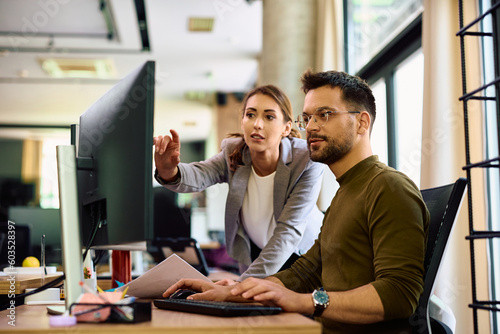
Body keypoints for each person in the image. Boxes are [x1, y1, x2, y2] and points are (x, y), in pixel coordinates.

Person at [162, 70, 430, 334]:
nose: (311, 126)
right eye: (308, 117)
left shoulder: (388, 186)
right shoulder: (344, 193)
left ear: (361, 123)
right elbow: (306, 271)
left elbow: (400, 294)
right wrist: (235, 291)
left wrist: (305, 301)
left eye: (324, 115)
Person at [153, 84, 324, 280]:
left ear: (286, 128)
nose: (257, 124)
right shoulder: (234, 153)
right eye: (250, 115)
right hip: (257, 256)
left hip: (302, 258)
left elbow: (289, 231)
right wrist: (169, 170)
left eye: (269, 117)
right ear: (242, 122)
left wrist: (241, 284)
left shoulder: (306, 160)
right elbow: (198, 174)